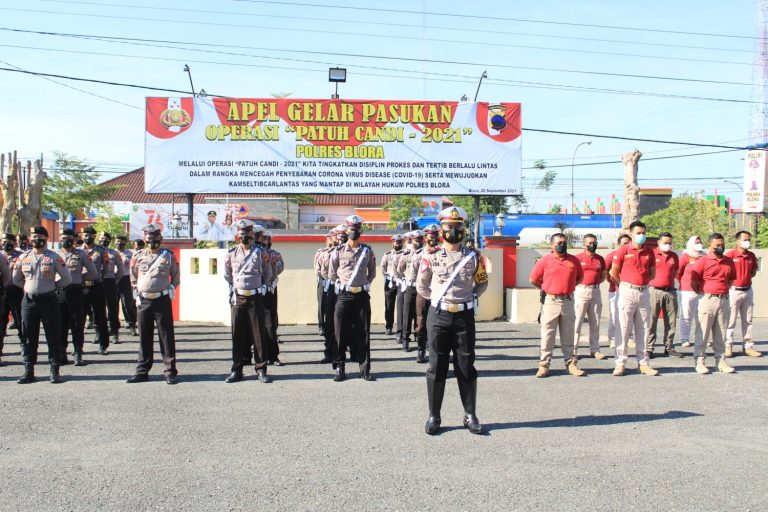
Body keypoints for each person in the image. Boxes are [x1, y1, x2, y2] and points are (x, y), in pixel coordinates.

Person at [417, 207, 488, 435]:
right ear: (441, 229)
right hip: (439, 315)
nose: (454, 231)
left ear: (463, 228)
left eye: (458, 227)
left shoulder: (474, 256)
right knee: (437, 366)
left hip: (464, 316)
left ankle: (470, 415)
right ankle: (434, 415)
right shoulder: (430, 256)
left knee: (465, 365)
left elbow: (482, 282)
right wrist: (439, 301)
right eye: (449, 227)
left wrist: (471, 298)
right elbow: (422, 285)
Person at [13, 225, 71, 384]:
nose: (35, 239)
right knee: (28, 337)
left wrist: (53, 288)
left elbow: (66, 279)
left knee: (53, 335)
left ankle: (54, 370)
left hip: (48, 300)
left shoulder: (54, 257)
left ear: (45, 239)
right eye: (33, 237)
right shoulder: (24, 257)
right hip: (29, 301)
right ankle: (28, 370)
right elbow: (16, 279)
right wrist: (29, 288)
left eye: (39, 236)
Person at [126, 224, 181, 384]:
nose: (152, 242)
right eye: (149, 239)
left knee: (166, 336)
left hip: (162, 300)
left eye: (155, 239)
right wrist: (136, 292)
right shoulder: (137, 256)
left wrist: (172, 288)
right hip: (143, 300)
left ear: (161, 239)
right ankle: (142, 371)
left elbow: (175, 276)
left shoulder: (168, 256)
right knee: (144, 336)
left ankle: (170, 371)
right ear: (145, 239)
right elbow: (133, 276)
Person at [530, 233, 587, 378]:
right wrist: (547, 288)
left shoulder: (573, 260)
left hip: (568, 301)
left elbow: (580, 277)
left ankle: (571, 364)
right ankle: (544, 365)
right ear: (552, 245)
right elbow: (534, 279)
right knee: (548, 333)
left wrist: (567, 287)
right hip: (551, 301)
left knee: (568, 334)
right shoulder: (544, 260)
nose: (562, 244)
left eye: (564, 242)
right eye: (559, 242)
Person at [223, 220, 273, 383]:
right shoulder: (231, 253)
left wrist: (263, 287)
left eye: (248, 234)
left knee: (259, 334)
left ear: (252, 235)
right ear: (238, 236)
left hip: (255, 297)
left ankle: (261, 369)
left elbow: (267, 272)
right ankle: (237, 369)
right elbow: (227, 274)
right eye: (242, 234)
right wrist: (234, 288)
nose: (245, 237)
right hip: (239, 297)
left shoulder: (260, 253)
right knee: (237, 334)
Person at [328, 215, 376, 382]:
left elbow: (372, 272)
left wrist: (365, 284)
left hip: (362, 295)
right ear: (346, 230)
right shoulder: (338, 251)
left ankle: (364, 368)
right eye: (351, 229)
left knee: (363, 333)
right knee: (340, 332)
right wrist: (343, 285)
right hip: (344, 295)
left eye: (356, 229)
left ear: (361, 231)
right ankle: (340, 367)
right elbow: (332, 273)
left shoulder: (367, 251)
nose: (353, 232)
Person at [609, 220, 659, 376]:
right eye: (638, 233)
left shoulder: (649, 252)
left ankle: (643, 363)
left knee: (644, 328)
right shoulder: (623, 251)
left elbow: (652, 273)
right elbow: (613, 273)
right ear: (631, 234)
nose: (641, 235)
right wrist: (624, 285)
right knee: (623, 328)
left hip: (643, 291)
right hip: (626, 291)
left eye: (643, 233)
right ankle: (620, 363)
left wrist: (641, 284)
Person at [689, 233, 736, 374]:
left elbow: (731, 280)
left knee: (721, 332)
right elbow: (693, 281)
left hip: (724, 299)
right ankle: (699, 361)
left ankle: (721, 362)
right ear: (709, 246)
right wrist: (704, 294)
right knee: (703, 332)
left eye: (722, 244)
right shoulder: (702, 261)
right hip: (707, 299)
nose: (720, 247)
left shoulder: (729, 261)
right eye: (717, 245)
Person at [57, 228, 97, 366]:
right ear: (59, 239)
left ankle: (78, 353)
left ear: (73, 240)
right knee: (60, 324)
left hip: (75, 291)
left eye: (69, 238)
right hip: (59, 292)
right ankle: (62, 353)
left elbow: (93, 272)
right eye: (63, 238)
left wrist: (79, 278)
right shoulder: (54, 255)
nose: (66, 241)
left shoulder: (82, 254)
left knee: (77, 324)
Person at [725, 230, 761, 358]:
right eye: (745, 239)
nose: (747, 242)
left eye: (748, 239)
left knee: (748, 320)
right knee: (730, 321)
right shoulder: (730, 255)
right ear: (737, 241)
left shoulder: (751, 255)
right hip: (733, 291)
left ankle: (748, 347)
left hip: (748, 290)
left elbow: (753, 272)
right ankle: (728, 346)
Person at [647, 232, 683, 358]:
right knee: (652, 320)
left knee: (671, 321)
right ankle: (649, 348)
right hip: (654, 291)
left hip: (670, 291)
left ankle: (669, 347)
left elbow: (676, 273)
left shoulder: (674, 256)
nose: (668, 245)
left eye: (670, 243)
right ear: (658, 242)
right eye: (665, 243)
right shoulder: (651, 253)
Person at [573, 233, 607, 360]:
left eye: (595, 242)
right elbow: (573, 276)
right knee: (577, 322)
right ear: (584, 244)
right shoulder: (578, 258)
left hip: (595, 291)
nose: (593, 245)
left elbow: (603, 275)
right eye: (590, 242)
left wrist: (594, 285)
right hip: (581, 291)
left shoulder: (600, 259)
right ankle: (573, 350)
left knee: (595, 322)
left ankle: (595, 350)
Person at [80, 226, 111, 355]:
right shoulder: (77, 251)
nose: (87, 237)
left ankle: (103, 345)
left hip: (96, 285)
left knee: (100, 316)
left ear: (94, 236)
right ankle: (78, 347)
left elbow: (107, 268)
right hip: (81, 287)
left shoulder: (101, 250)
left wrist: (99, 279)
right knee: (79, 317)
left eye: (90, 235)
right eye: (85, 234)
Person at [412, 225, 440, 364]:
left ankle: (437, 351)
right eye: (430, 237)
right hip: (423, 293)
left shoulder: (443, 252)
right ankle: (421, 349)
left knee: (439, 324)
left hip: (439, 293)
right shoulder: (418, 255)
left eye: (435, 236)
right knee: (421, 322)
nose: (433, 239)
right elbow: (413, 275)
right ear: (425, 238)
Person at [399, 229, 424, 352]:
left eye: (420, 240)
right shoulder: (406, 254)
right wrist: (404, 278)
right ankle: (405, 340)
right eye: (415, 240)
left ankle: (422, 340)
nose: (417, 242)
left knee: (421, 316)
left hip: (422, 288)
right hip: (410, 287)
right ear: (412, 240)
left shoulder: (426, 254)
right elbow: (399, 269)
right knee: (407, 315)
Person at [0, 233, 25, 360]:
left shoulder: (21, 255)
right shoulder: (0, 255)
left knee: (20, 319)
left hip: (16, 290)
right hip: (2, 292)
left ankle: (24, 344)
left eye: (9, 241)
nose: (6, 243)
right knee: (1, 321)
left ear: (14, 243)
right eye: (4, 241)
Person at [99, 232, 125, 344]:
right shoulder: (94, 252)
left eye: (105, 238)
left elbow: (120, 269)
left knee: (113, 309)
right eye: (101, 238)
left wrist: (115, 279)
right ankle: (98, 334)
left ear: (109, 241)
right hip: (97, 282)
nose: (103, 240)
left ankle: (114, 333)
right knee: (98, 310)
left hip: (110, 281)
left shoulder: (114, 253)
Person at [678, 236, 704, 349]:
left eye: (700, 242)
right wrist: (685, 283)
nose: (699, 244)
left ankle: (701, 338)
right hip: (687, 290)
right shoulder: (685, 256)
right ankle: (685, 338)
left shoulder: (704, 255)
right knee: (686, 315)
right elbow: (678, 273)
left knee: (702, 316)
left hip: (702, 291)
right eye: (696, 242)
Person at [605, 234, 631, 349]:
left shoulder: (632, 255)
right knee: (615, 315)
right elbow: (606, 271)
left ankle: (629, 338)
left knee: (629, 315)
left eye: (628, 243)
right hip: (615, 290)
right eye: (624, 243)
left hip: (630, 291)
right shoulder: (612, 255)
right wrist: (612, 282)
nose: (626, 245)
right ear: (619, 244)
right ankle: (613, 339)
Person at [262, 231, 284, 366]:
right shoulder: (254, 253)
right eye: (264, 238)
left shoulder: (275, 254)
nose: (266, 241)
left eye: (268, 238)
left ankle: (273, 356)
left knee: (270, 323)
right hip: (253, 289)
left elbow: (280, 267)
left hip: (269, 289)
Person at [115, 234, 138, 336]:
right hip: (113, 280)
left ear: (125, 243)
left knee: (127, 305)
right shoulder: (110, 253)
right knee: (113, 305)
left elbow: (135, 267)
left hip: (125, 279)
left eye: (122, 241)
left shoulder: (131, 253)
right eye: (118, 241)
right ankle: (114, 327)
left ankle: (131, 325)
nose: (119, 243)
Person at [381, 234, 403, 336]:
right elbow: (383, 267)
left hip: (402, 283)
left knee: (401, 307)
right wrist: (387, 276)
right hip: (390, 283)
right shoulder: (387, 254)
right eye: (395, 242)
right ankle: (389, 326)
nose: (397, 244)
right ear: (392, 243)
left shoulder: (405, 254)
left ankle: (401, 329)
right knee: (389, 306)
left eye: (399, 242)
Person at [314, 233, 333, 338]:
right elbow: (316, 267)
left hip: (334, 281)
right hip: (323, 280)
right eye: (329, 238)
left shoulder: (338, 251)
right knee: (321, 304)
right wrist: (323, 278)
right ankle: (321, 326)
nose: (330, 240)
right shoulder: (321, 252)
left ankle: (331, 325)